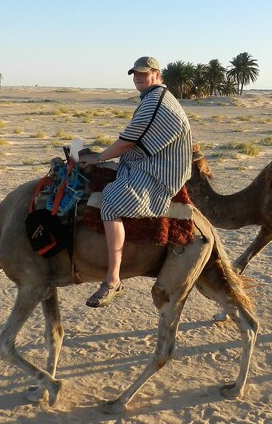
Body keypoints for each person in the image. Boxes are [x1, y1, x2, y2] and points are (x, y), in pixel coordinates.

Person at [79, 56, 193, 307]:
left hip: (159, 173)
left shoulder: (156, 101)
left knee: (110, 204)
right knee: (102, 171)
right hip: (145, 161)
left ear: (157, 74)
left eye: (143, 73)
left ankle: (113, 279)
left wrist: (98, 157)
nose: (137, 77)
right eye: (134, 74)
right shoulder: (153, 98)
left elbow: (129, 141)